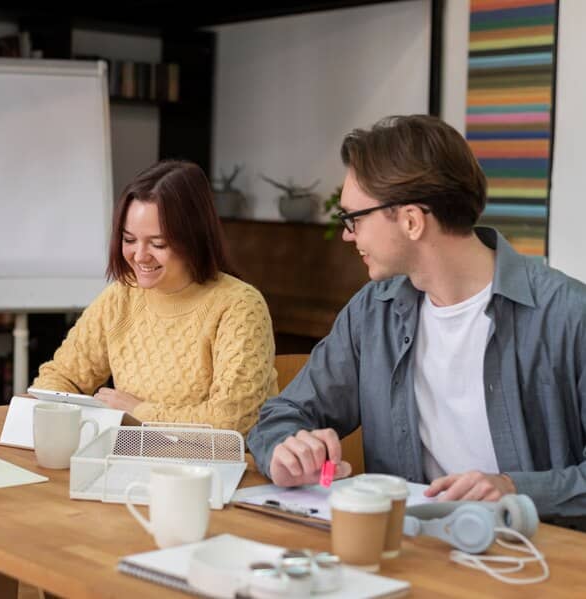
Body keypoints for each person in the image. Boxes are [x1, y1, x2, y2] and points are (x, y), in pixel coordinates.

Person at [247, 114, 586, 519]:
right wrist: (287, 448)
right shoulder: (373, 312)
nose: (348, 234)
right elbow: (280, 416)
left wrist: (515, 490)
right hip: (410, 551)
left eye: (354, 218)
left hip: (537, 562)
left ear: (411, 220)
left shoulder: (566, 315)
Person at [32, 160, 277, 434]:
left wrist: (139, 411)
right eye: (129, 239)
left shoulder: (239, 305)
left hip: (221, 470)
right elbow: (59, 377)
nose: (139, 256)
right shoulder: (121, 296)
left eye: (158, 243)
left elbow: (232, 420)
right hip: (134, 459)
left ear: (192, 238)